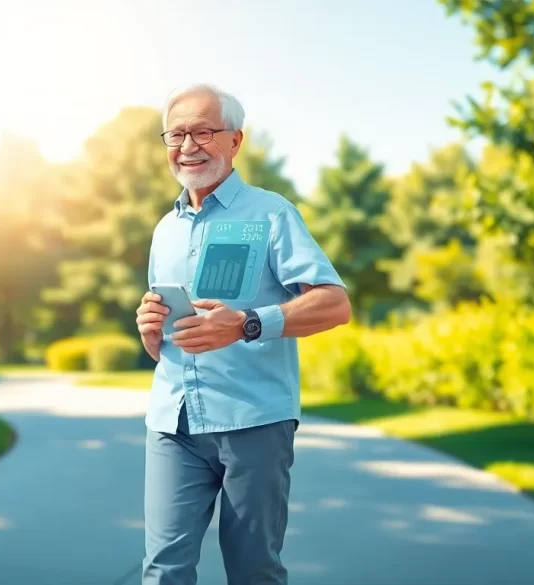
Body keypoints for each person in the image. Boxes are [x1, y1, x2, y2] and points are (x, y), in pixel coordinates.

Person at [135, 83, 352, 585]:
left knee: (253, 571)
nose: (188, 145)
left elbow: (335, 304)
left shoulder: (272, 212)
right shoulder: (164, 229)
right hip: (174, 424)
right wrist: (152, 333)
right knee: (162, 571)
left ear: (235, 141)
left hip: (252, 423)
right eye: (177, 133)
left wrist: (248, 322)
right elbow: (172, 336)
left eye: (204, 131)